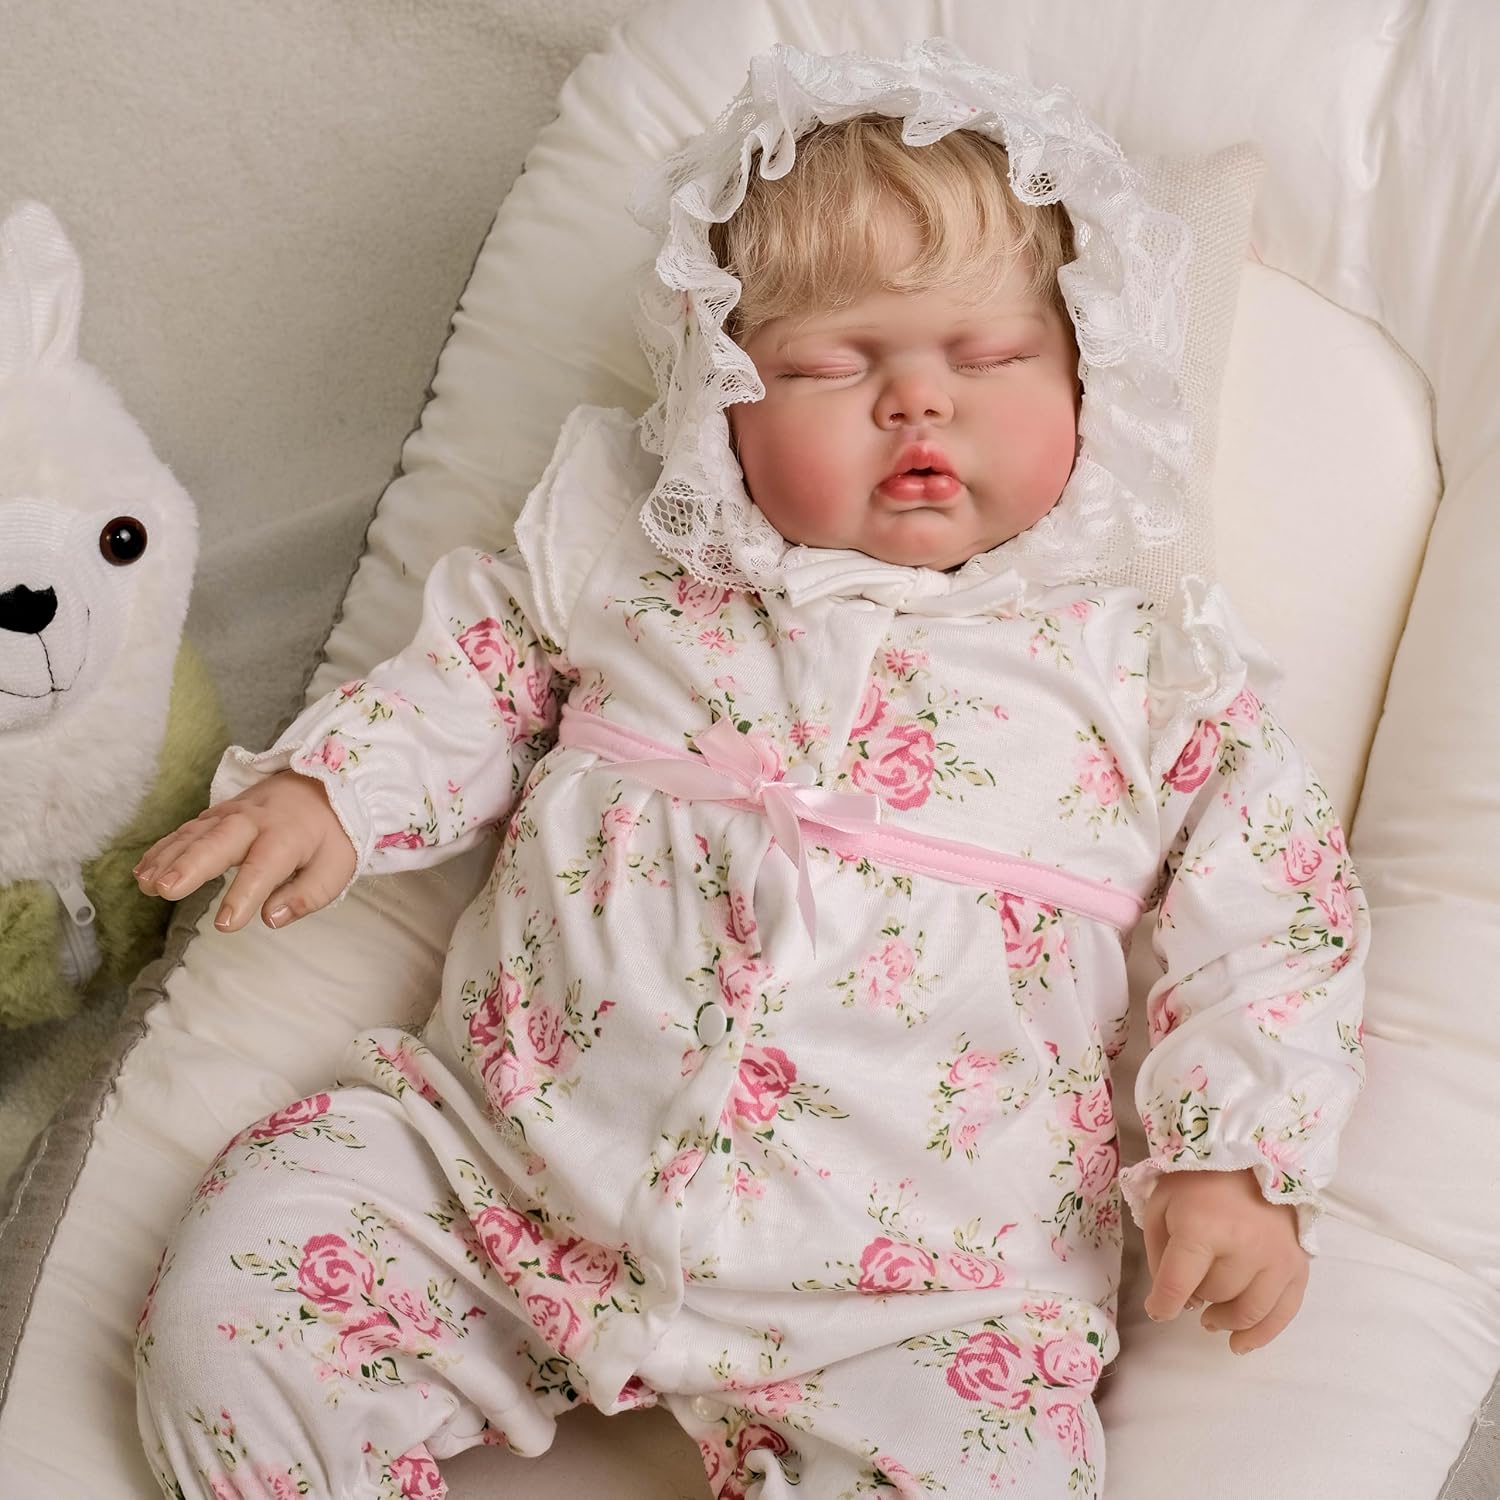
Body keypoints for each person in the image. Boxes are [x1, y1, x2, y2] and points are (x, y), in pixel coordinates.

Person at [131, 40, 1367, 1500]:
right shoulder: (631, 559)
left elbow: (1278, 910)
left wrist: (1234, 1158)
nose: (917, 402)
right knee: (235, 1312)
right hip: (503, 1175)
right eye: (831, 364)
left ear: (1094, 374)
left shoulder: (1144, 661)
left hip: (921, 1288)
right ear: (719, 395)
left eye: (987, 357)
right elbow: (471, 676)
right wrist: (332, 790)